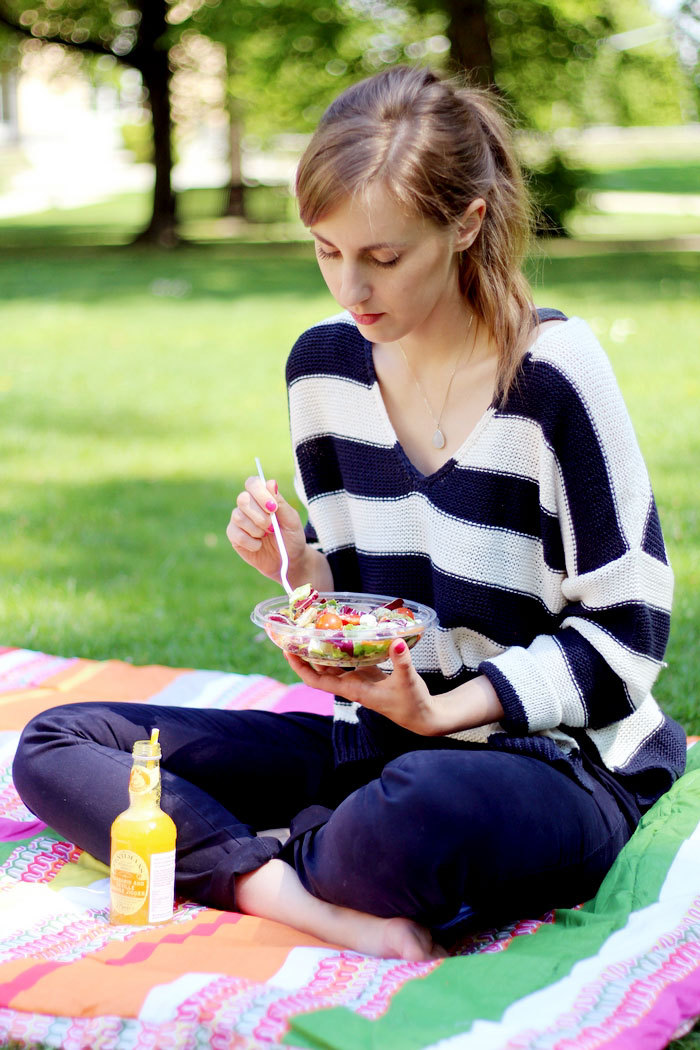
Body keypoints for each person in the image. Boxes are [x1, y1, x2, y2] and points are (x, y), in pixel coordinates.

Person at [13, 66, 685, 962]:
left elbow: (628, 633)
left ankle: (283, 851)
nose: (349, 288)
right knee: (61, 741)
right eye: (326, 250)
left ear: (465, 223)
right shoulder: (324, 370)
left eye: (382, 256)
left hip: (549, 762)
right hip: (370, 745)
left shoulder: (554, 374)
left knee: (413, 816)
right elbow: (367, 601)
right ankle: (288, 889)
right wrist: (303, 570)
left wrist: (441, 716)